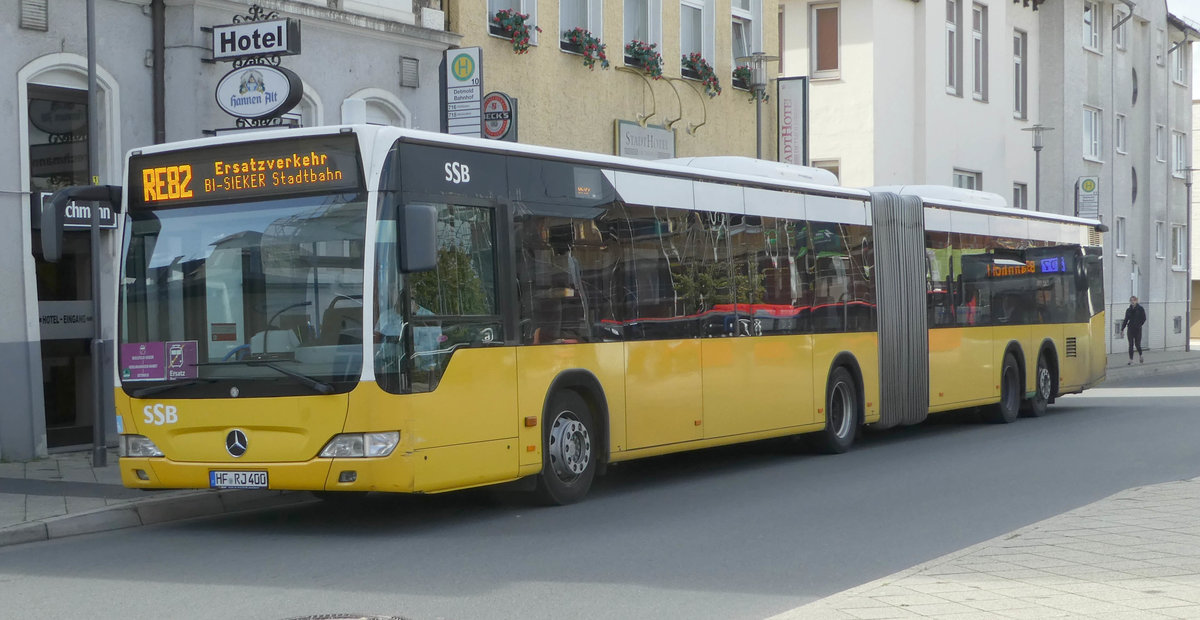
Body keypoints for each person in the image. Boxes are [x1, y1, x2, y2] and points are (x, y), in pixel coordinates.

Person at [1119, 295, 1147, 365]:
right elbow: (1126, 320)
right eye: (1131, 300)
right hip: (1130, 329)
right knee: (1130, 344)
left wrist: (1140, 324)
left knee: (1137, 344)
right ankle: (1131, 360)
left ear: (1136, 301)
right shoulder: (1128, 310)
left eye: (1134, 300)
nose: (1132, 302)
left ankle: (1141, 355)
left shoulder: (1140, 309)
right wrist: (1122, 329)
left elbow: (1144, 318)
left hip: (1137, 329)